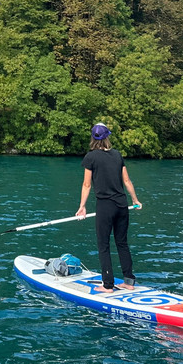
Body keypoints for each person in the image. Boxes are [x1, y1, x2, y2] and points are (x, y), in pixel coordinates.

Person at [76, 123, 141, 293]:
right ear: (107, 137)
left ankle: (107, 285)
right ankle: (129, 281)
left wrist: (82, 206)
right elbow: (126, 181)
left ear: (93, 138)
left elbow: (86, 184)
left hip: (105, 206)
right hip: (122, 205)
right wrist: (135, 200)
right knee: (122, 243)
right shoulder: (117, 155)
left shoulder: (90, 157)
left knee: (103, 245)